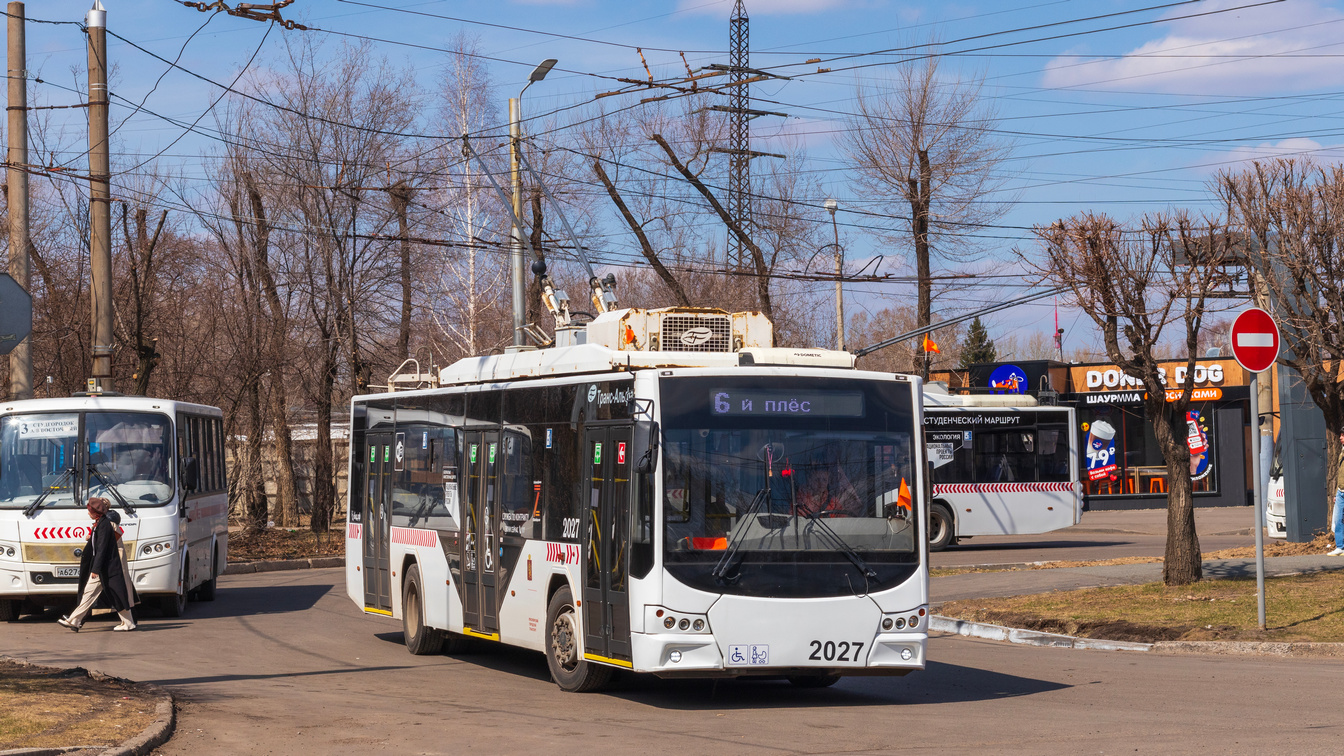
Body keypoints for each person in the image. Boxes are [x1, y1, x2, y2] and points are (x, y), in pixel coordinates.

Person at [58, 497, 138, 631]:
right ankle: (75, 620)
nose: (88, 513)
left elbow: (102, 549)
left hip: (107, 568)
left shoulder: (106, 524)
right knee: (90, 594)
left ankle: (129, 622)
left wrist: (96, 568)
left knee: (116, 594)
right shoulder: (99, 523)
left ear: (96, 512)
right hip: (104, 567)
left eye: (89, 510)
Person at [1331, 432, 1344, 557]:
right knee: (1338, 519)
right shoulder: (1341, 452)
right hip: (1341, 491)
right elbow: (1340, 474)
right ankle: (1340, 546)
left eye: (1343, 435)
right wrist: (1336, 493)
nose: (1340, 437)